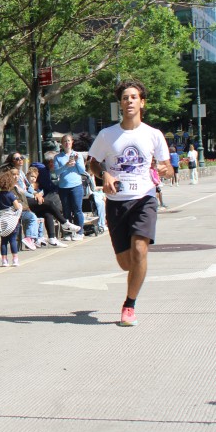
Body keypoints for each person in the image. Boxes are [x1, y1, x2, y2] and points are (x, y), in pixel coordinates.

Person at [87, 79, 172, 327]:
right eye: (125, 98)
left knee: (140, 250)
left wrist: (165, 170)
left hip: (144, 198)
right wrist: (105, 175)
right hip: (117, 202)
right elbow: (93, 163)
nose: (129, 101)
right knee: (126, 263)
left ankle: (129, 305)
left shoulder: (153, 135)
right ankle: (134, 281)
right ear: (120, 104)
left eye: (134, 97)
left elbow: (167, 167)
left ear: (142, 102)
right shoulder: (107, 134)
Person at [53, 134, 87, 241]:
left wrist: (77, 161)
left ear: (72, 142)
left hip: (76, 186)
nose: (67, 143)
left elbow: (82, 170)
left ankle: (80, 232)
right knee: (66, 210)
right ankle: (68, 233)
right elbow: (57, 172)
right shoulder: (58, 157)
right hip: (63, 187)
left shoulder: (77, 155)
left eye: (68, 141)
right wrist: (66, 165)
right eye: (65, 141)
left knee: (77, 209)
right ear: (62, 144)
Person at [0, 169, 24, 267]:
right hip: (11, 221)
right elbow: (17, 207)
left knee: (3, 241)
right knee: (13, 240)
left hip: (2, 221)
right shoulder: (11, 195)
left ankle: (4, 261)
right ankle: (15, 260)